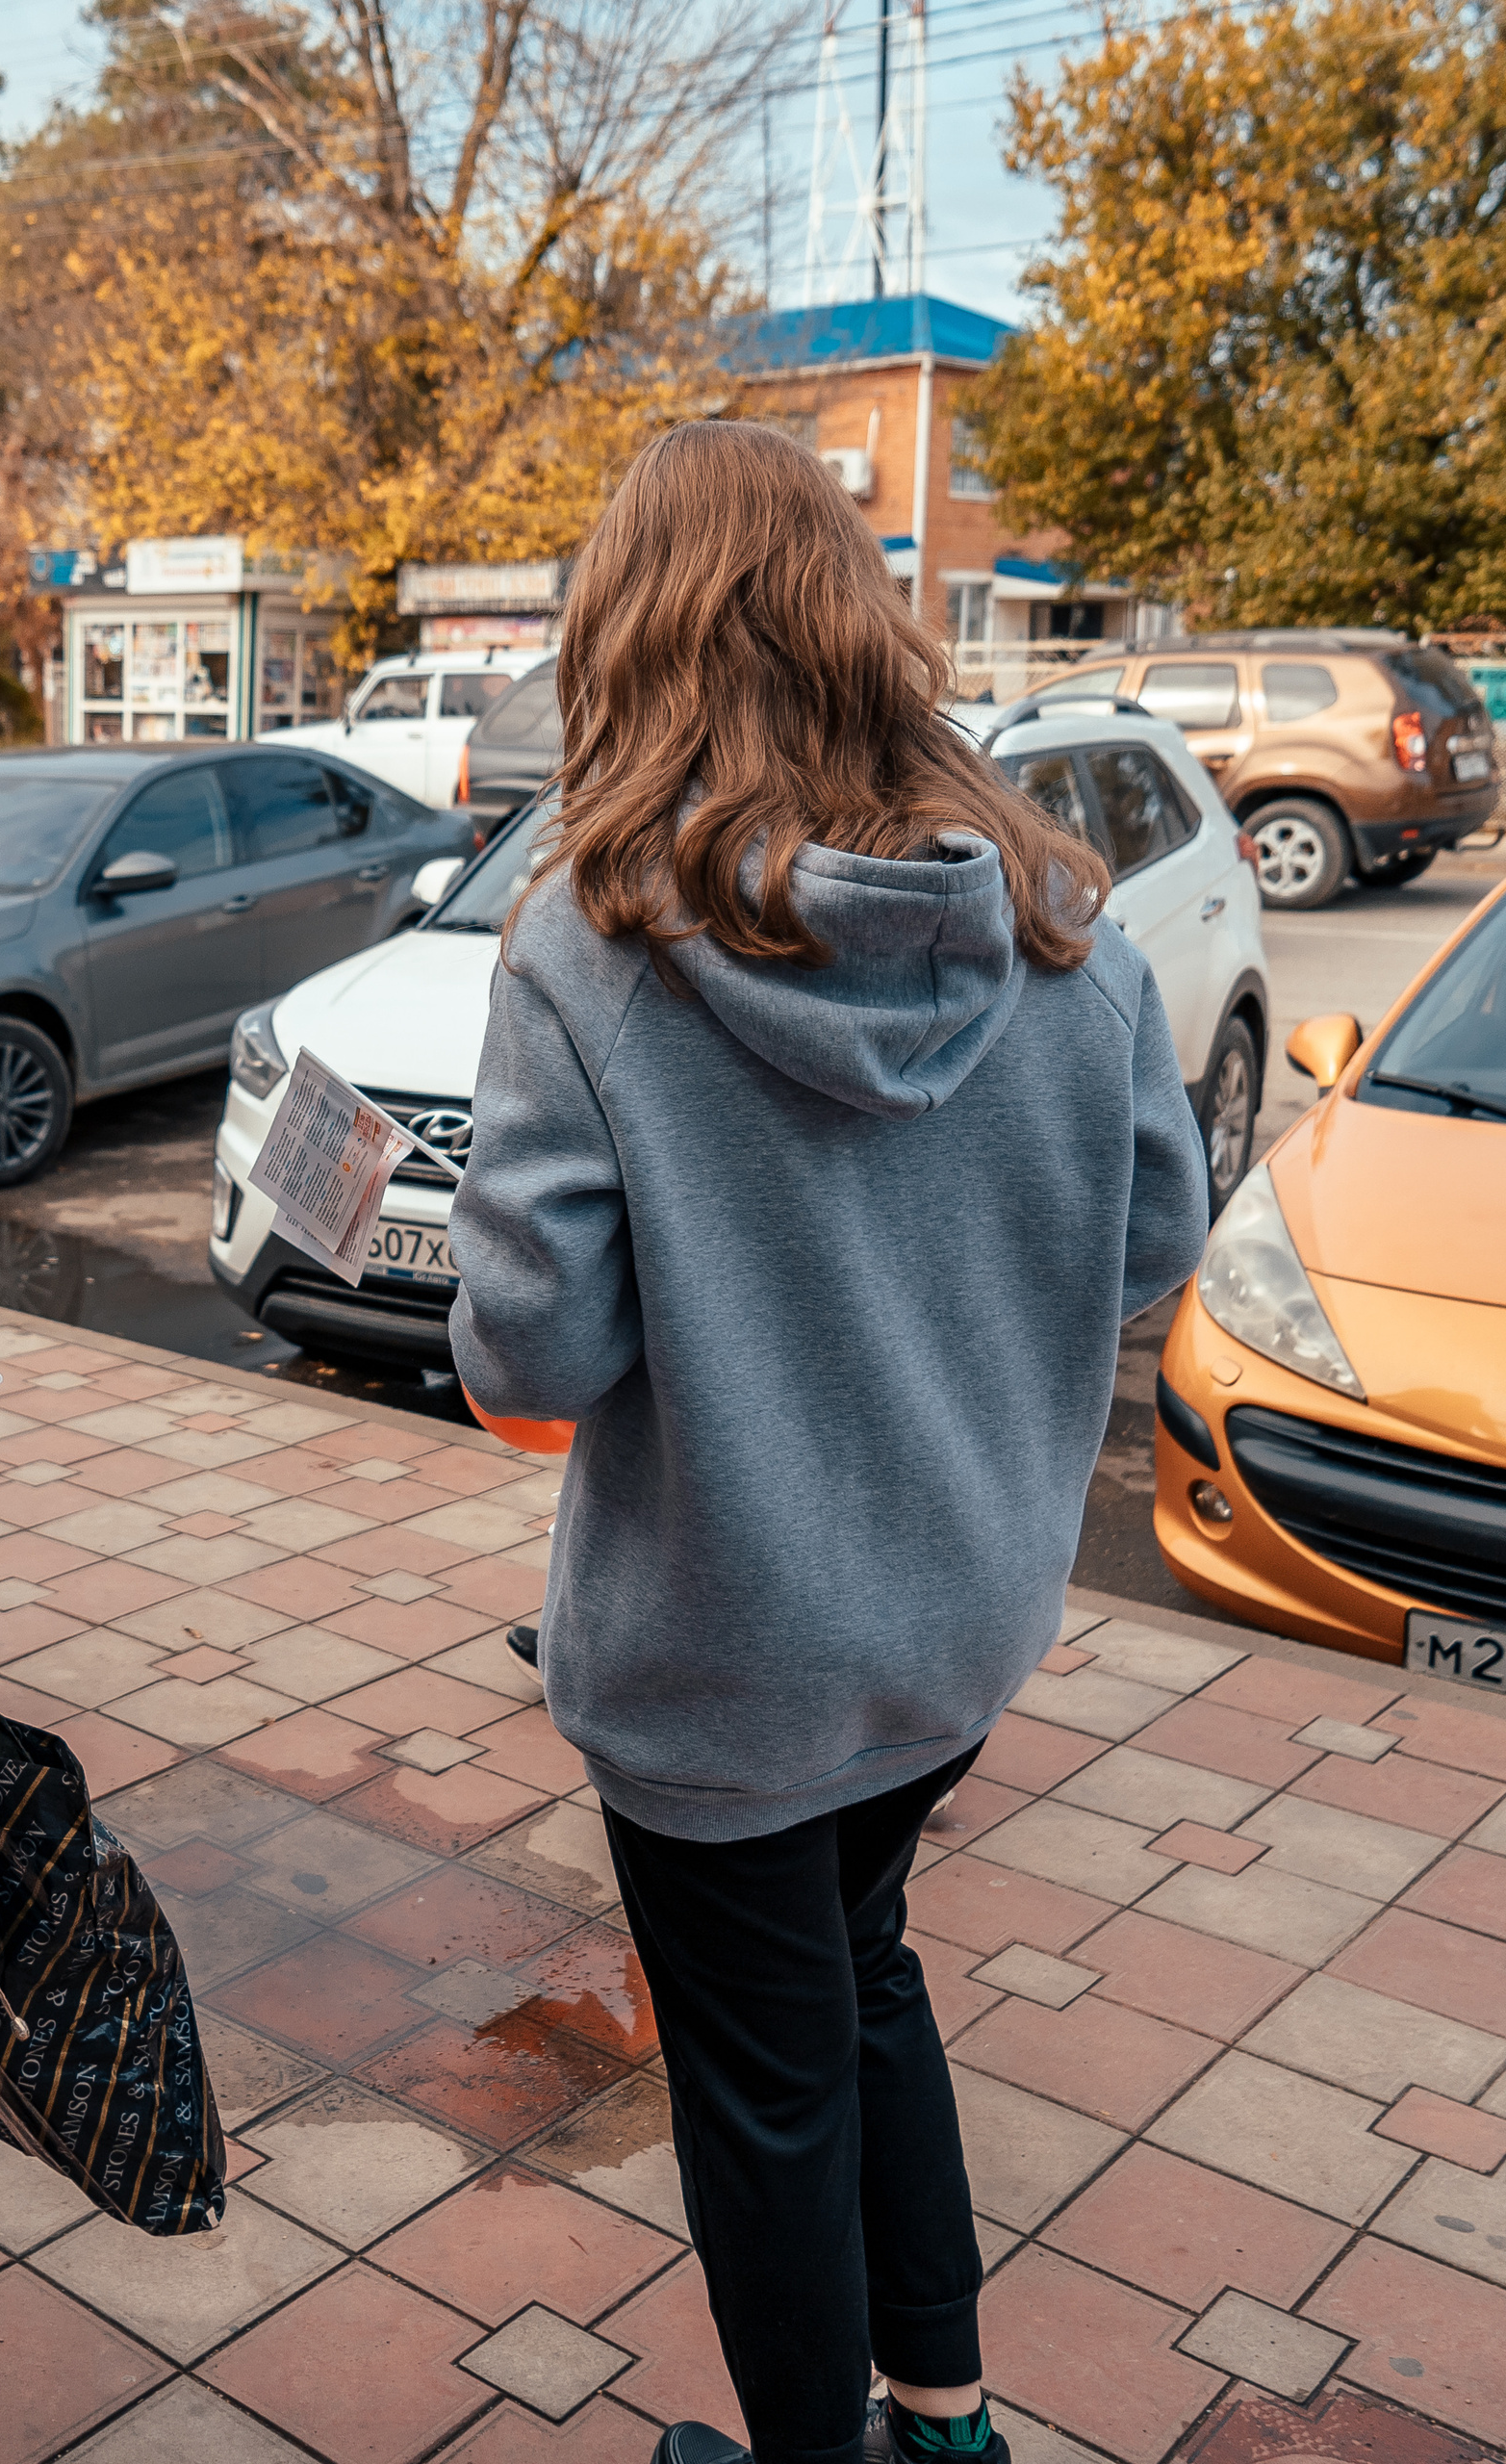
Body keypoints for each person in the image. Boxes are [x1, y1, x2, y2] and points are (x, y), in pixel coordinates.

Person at [447, 421, 1210, 2464]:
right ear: (862, 623)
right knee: (857, 1975)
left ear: (629, 631)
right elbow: (1152, 1237)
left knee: (759, 2082)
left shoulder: (592, 945)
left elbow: (524, 1344)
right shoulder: (1065, 918)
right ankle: (938, 2421)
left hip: (715, 1662)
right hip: (955, 1627)